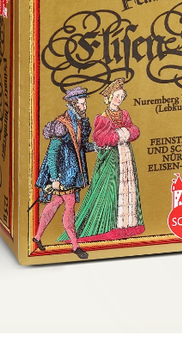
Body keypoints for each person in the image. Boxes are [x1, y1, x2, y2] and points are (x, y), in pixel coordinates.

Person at [62, 81, 144, 245]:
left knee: (127, 185)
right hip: (111, 157)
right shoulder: (103, 117)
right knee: (111, 188)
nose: (119, 99)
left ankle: (128, 224)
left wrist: (123, 132)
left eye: (121, 96)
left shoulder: (124, 114)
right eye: (116, 96)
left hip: (126, 155)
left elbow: (135, 130)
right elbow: (100, 138)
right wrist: (120, 134)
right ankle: (108, 226)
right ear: (109, 97)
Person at [32, 86, 93, 259]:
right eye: (82, 104)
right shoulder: (61, 124)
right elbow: (52, 153)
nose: (85, 106)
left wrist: (97, 147)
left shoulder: (81, 123)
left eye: (85, 103)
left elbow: (82, 146)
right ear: (73, 104)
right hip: (62, 175)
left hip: (72, 174)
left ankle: (37, 237)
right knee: (69, 205)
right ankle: (75, 246)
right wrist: (54, 178)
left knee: (56, 201)